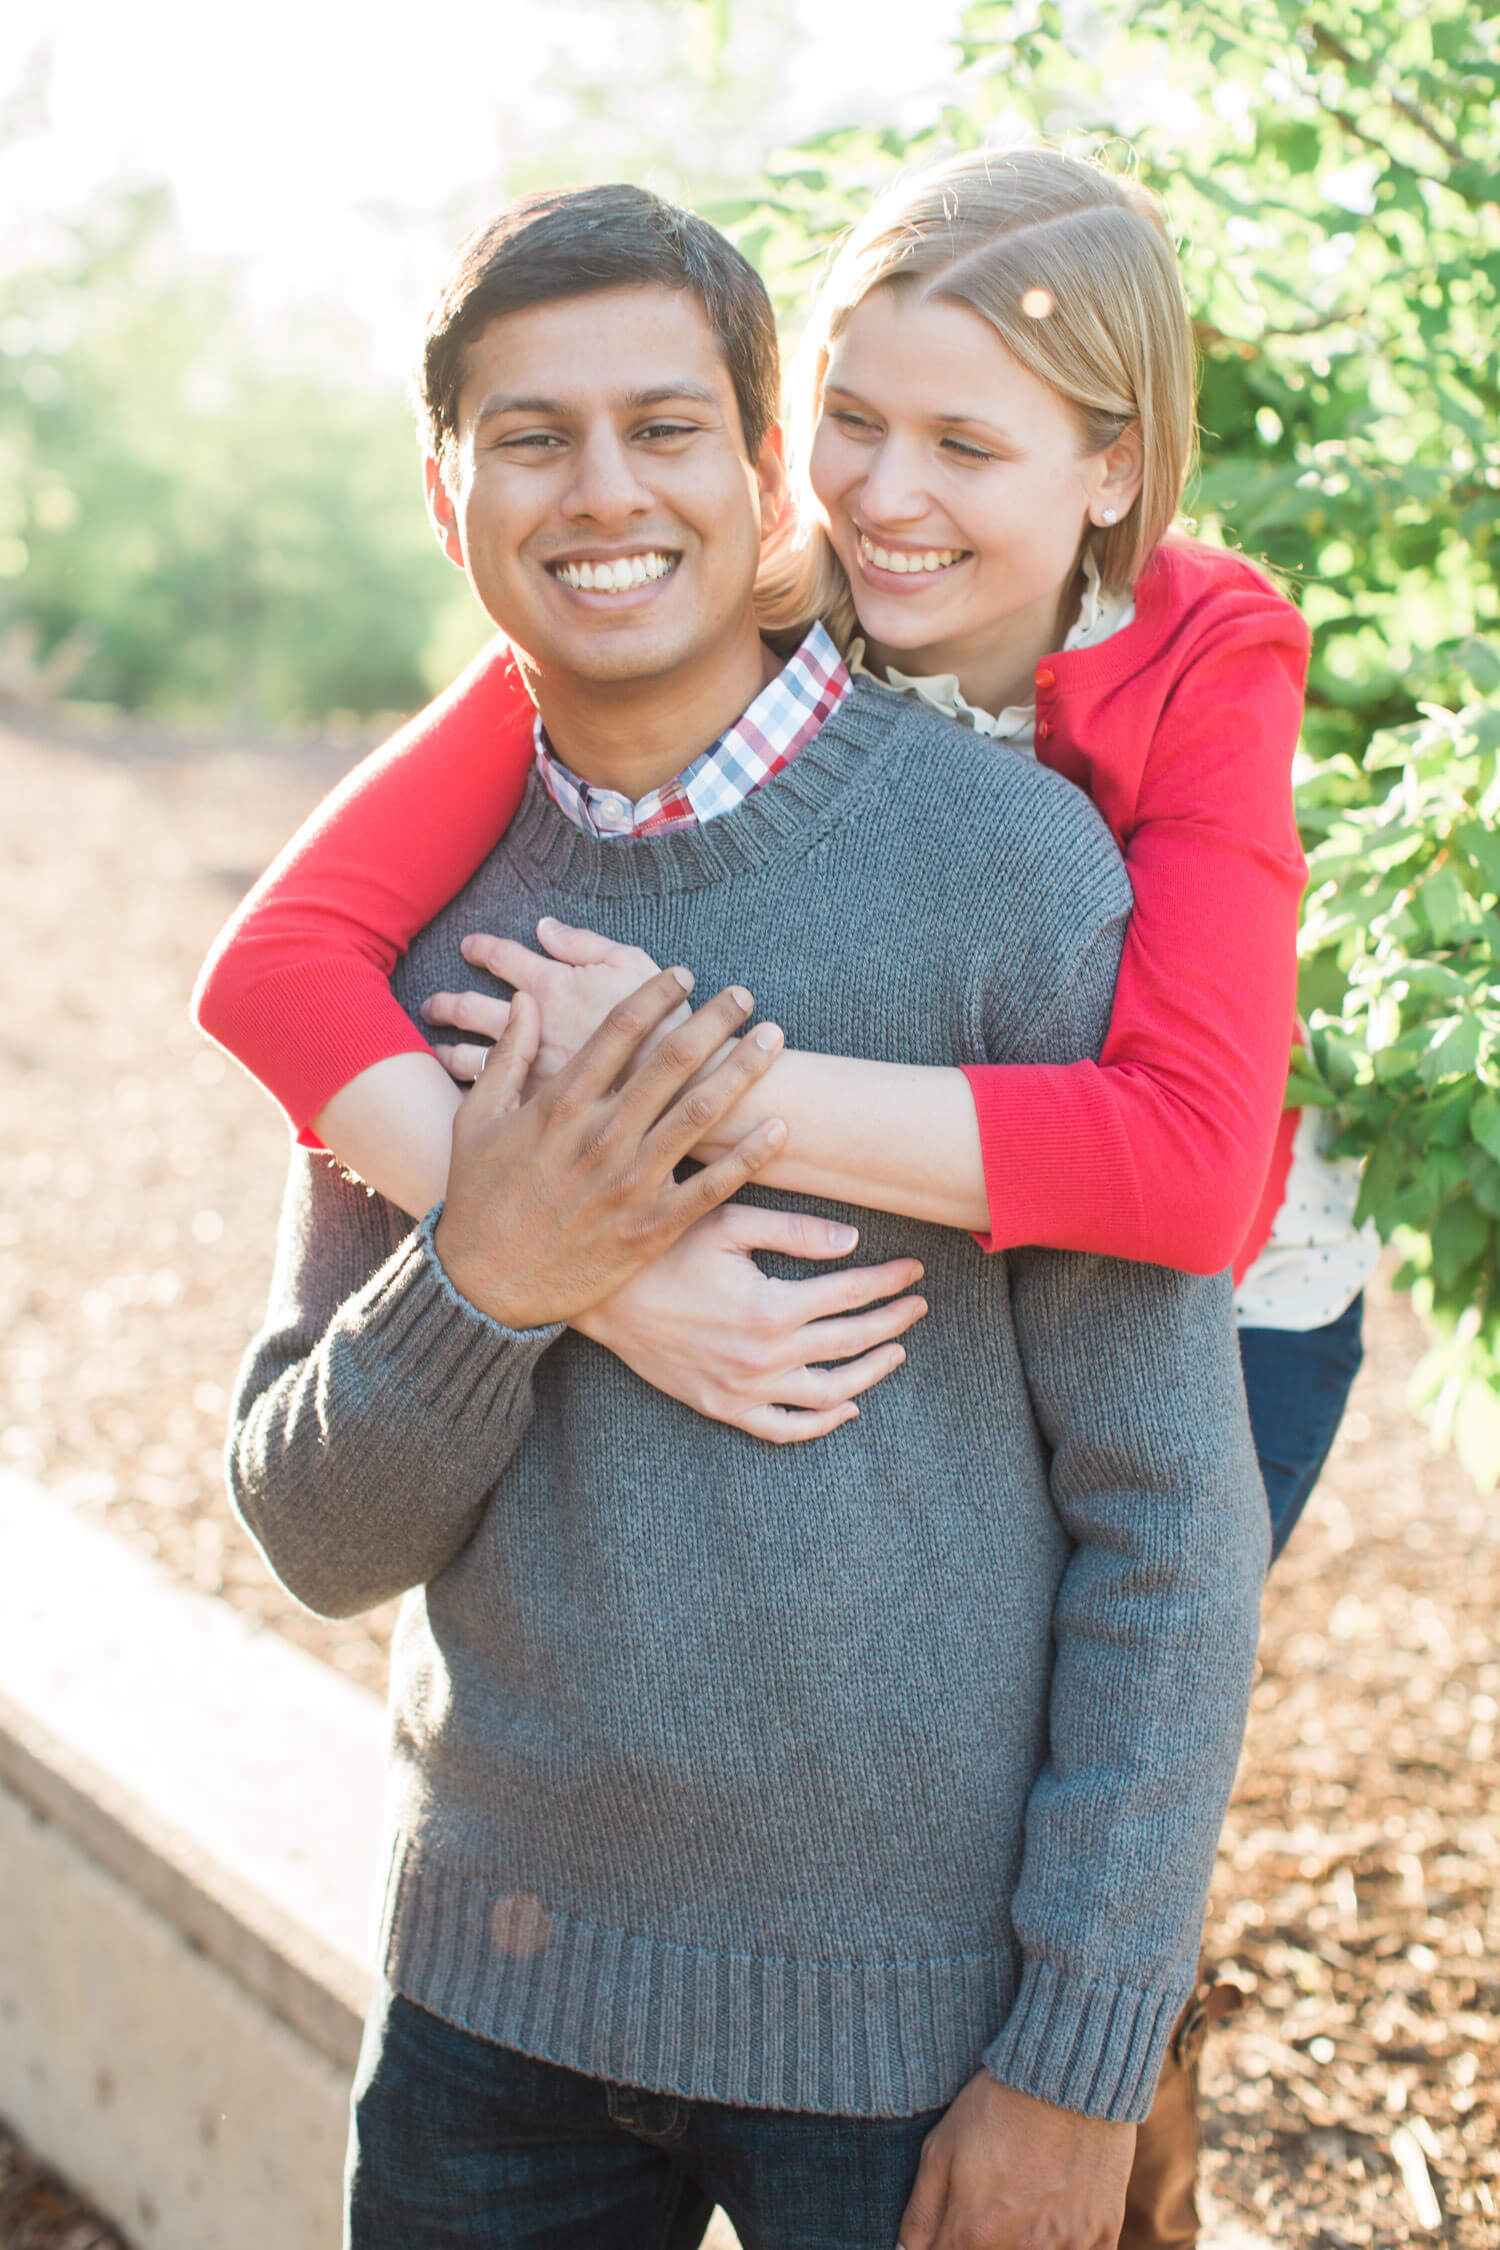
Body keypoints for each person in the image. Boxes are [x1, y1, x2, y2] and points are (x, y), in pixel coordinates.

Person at [220, 179, 1269, 2249]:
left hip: (909, 2057)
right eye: (532, 437)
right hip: (482, 2014)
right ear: (451, 503)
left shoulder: (1026, 882)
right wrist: (513, 1274)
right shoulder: (417, 936)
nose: (603, 489)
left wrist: (1079, 2054)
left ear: (754, 465)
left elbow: (1172, 1518)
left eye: (665, 426)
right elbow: (312, 1532)